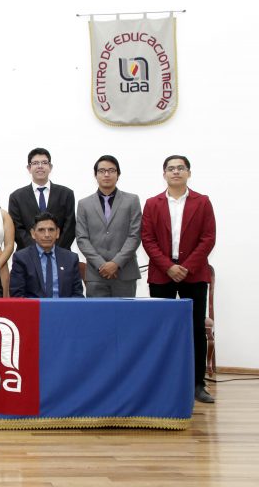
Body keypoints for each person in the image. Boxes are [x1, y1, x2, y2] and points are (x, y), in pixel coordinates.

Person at [142, 155, 216, 404]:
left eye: (180, 168)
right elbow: (148, 239)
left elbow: (208, 238)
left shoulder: (202, 202)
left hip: (193, 274)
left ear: (188, 173)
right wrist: (168, 267)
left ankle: (197, 384)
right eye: (171, 169)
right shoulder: (153, 203)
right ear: (164, 174)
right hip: (161, 275)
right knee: (160, 329)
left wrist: (185, 267)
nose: (176, 172)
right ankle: (161, 381)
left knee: (195, 329)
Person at [76, 155, 142, 297]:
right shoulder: (84, 204)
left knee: (125, 317)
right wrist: (101, 264)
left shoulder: (132, 200)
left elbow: (135, 235)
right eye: (102, 171)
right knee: (97, 317)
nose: (106, 174)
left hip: (124, 272)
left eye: (111, 170)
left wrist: (116, 263)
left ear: (118, 174)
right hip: (96, 273)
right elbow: (82, 238)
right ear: (95, 175)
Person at [8, 147, 76, 250]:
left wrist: (54, 251)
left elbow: (69, 227)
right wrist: (37, 251)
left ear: (50, 167)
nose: (40, 166)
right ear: (29, 168)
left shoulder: (66, 194)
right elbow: (17, 230)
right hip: (28, 256)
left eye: (44, 162)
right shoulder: (16, 197)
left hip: (60, 254)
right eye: (35, 163)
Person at [10, 212, 84, 298]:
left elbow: (77, 294)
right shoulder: (21, 258)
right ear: (33, 234)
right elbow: (17, 295)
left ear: (57, 233)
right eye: (41, 230)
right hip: (35, 309)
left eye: (51, 230)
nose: (47, 235)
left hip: (63, 309)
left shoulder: (71, 258)